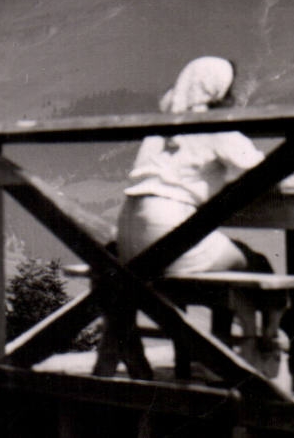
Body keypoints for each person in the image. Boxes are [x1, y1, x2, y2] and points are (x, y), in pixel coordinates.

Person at [93, 56, 270, 378]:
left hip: (129, 232)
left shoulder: (163, 126)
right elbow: (261, 168)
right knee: (255, 264)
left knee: (234, 259)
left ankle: (212, 355)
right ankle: (250, 354)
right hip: (168, 230)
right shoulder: (214, 125)